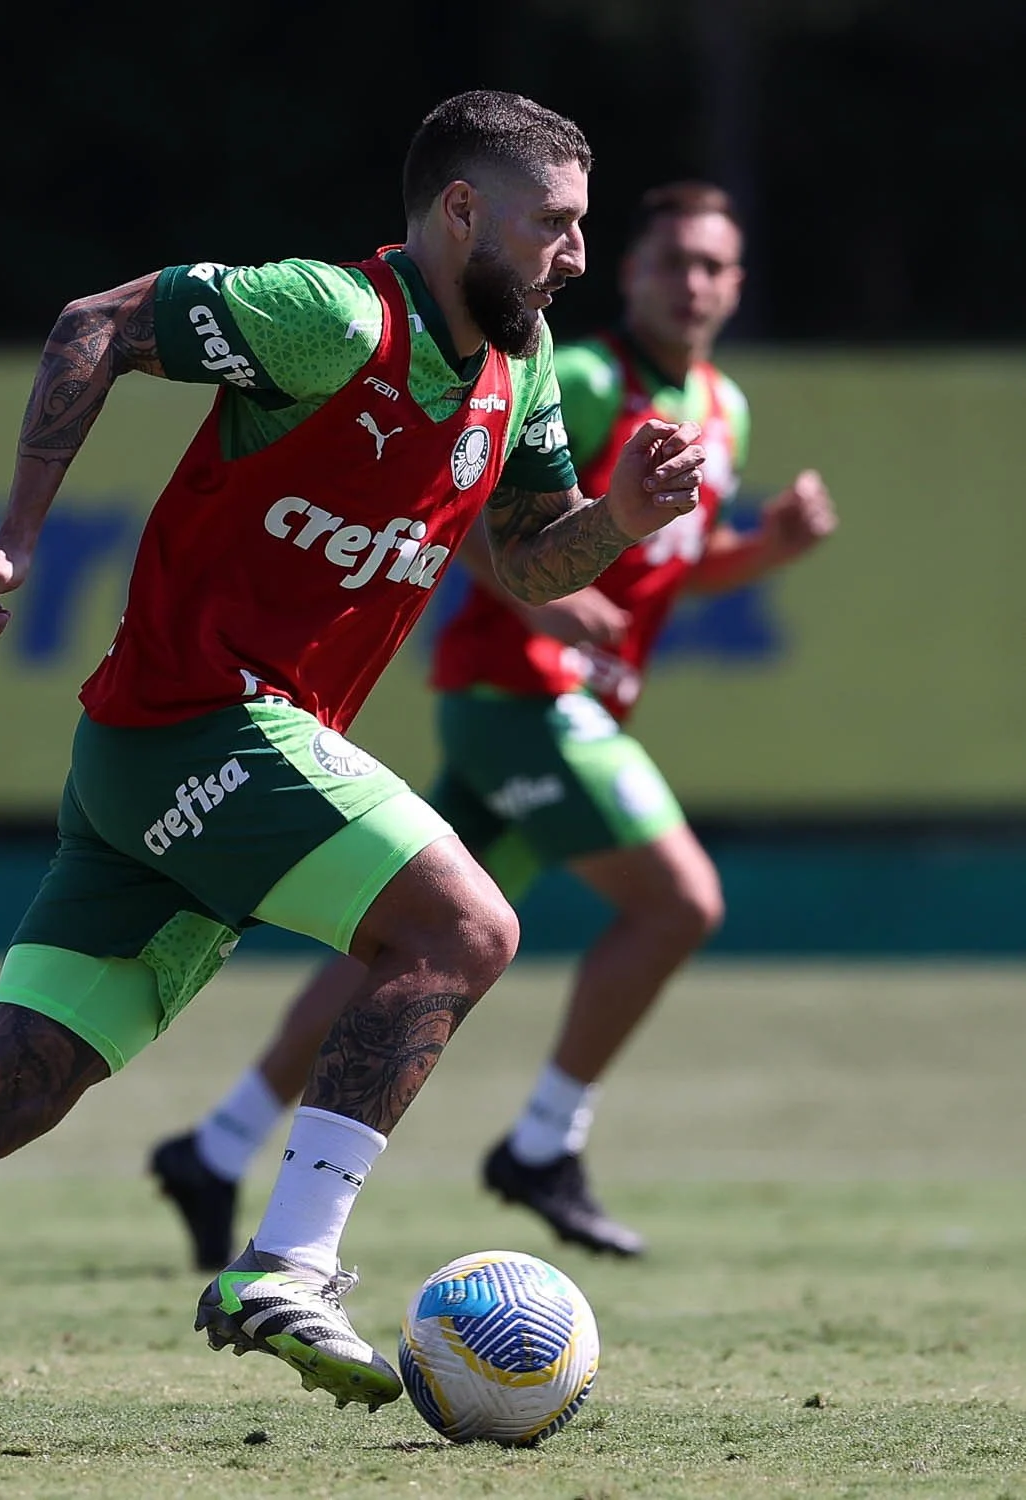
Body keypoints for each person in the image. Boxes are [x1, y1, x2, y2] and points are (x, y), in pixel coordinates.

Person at [0, 91, 708, 1441]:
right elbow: (95, 326)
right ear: (463, 211)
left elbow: (522, 560)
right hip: (198, 725)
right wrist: (18, 541)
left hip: (171, 762)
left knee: (1, 1093)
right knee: (464, 925)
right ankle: (289, 1264)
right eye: (556, 224)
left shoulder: (517, 369)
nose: (574, 253)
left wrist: (620, 520)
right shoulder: (334, 318)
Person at [150, 180, 836, 1268]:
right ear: (633, 274)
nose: (692, 284)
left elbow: (661, 567)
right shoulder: (587, 375)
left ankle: (219, 1144)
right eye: (671, 262)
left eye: (713, 266)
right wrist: (542, 593)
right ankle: (543, 1144)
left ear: (737, 285)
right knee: (679, 903)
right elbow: (463, 494)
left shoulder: (723, 406)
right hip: (521, 694)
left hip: (559, 703)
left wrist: (771, 554)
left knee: (400, 944)